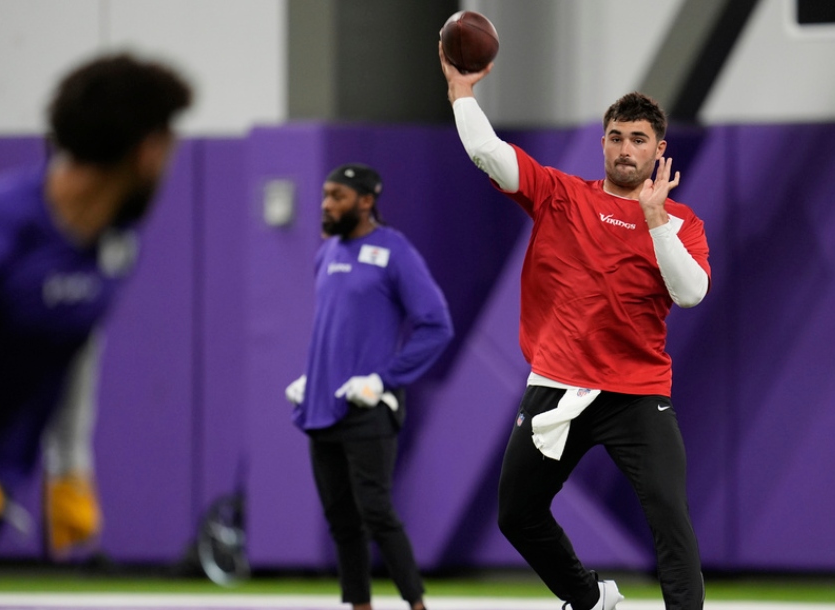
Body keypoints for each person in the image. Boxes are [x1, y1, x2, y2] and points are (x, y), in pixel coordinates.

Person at [439, 45, 711, 610]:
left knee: (669, 517)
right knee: (516, 513)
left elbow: (691, 294)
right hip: (559, 384)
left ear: (659, 149)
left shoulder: (680, 221)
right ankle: (589, 598)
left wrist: (658, 221)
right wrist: (462, 90)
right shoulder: (561, 195)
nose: (625, 148)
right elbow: (487, 151)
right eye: (616, 136)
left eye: (638, 139)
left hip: (637, 395)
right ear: (603, 142)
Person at [0, 53, 193, 547]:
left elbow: (75, 351)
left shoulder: (114, 244)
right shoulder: (10, 228)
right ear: (149, 152)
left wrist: (70, 468)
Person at [285, 163, 453, 610]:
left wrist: (384, 379)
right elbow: (335, 328)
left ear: (365, 200)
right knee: (341, 521)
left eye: (337, 195)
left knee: (376, 513)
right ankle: (360, 606)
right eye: (324, 194)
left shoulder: (394, 250)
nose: (326, 204)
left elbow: (436, 325)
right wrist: (313, 376)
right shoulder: (326, 252)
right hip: (324, 406)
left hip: (369, 409)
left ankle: (417, 605)